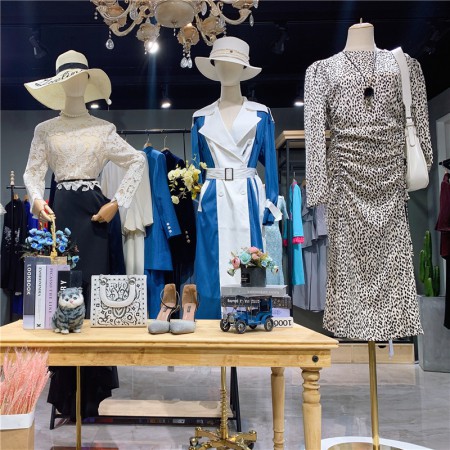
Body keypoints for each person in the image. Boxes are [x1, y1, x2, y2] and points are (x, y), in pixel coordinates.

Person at [23, 50, 145, 419]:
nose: (73, 84)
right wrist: (36, 201)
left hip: (95, 216)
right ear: (58, 84)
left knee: (93, 293)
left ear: (87, 81)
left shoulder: (103, 129)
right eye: (67, 78)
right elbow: (32, 172)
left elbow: (137, 160)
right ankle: (65, 393)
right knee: (62, 294)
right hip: (60, 214)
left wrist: (117, 203)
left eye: (79, 77)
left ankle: (94, 392)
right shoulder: (45, 130)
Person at [304, 23, 433, 341]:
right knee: (348, 264)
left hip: (389, 184)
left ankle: (387, 324)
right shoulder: (321, 71)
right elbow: (315, 134)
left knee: (392, 260)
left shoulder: (405, 65)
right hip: (346, 184)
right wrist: (319, 185)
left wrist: (318, 187)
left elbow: (419, 124)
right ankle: (357, 324)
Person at [191, 36, 279, 319]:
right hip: (213, 194)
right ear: (213, 66)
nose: (227, 69)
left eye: (233, 63)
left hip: (247, 192)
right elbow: (195, 169)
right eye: (221, 63)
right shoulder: (201, 117)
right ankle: (210, 319)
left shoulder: (261, 114)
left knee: (249, 257)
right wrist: (198, 201)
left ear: (244, 68)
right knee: (211, 261)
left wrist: (270, 205)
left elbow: (271, 166)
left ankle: (250, 318)